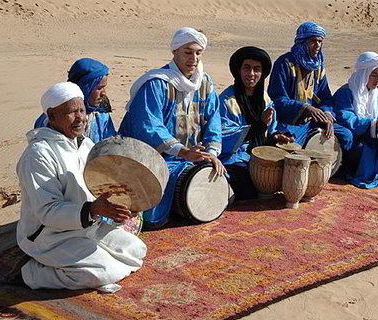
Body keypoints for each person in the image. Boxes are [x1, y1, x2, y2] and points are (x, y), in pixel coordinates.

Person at [12, 82, 146, 290]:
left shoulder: (86, 145)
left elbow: (100, 188)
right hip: (49, 235)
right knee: (103, 272)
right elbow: (47, 211)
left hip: (87, 225)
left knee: (136, 250)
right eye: (71, 112)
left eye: (82, 110)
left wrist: (121, 204)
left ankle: (74, 262)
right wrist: (92, 210)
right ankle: (31, 274)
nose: (80, 118)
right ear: (52, 116)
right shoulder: (38, 155)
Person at [119, 27, 224, 228]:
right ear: (174, 52)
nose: (193, 58)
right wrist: (182, 151)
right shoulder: (156, 84)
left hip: (194, 156)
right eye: (188, 52)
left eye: (198, 53)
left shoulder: (205, 83)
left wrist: (211, 154)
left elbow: (214, 120)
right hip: (158, 158)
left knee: (221, 182)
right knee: (152, 219)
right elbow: (148, 126)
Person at [219, 46, 293, 200]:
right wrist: (258, 126)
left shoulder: (265, 99)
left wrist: (277, 136)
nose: (251, 74)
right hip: (236, 156)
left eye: (256, 69)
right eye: (247, 68)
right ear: (238, 70)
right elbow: (224, 138)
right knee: (245, 183)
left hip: (261, 151)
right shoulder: (227, 100)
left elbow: (270, 131)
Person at [268, 21, 353, 150]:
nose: (317, 45)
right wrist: (305, 108)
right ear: (302, 42)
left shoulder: (318, 67)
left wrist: (327, 115)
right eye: (313, 41)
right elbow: (277, 99)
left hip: (313, 122)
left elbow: (326, 98)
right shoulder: (285, 64)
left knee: (346, 136)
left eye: (320, 41)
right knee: (290, 142)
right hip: (289, 123)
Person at [332, 52, 378, 189]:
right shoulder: (347, 92)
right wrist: (373, 123)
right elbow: (346, 119)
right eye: (374, 75)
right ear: (364, 73)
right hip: (352, 141)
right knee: (363, 150)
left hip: (371, 141)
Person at [34, 58, 117, 143]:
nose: (103, 93)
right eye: (99, 88)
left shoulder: (101, 116)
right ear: (85, 87)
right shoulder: (52, 118)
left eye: (104, 87)